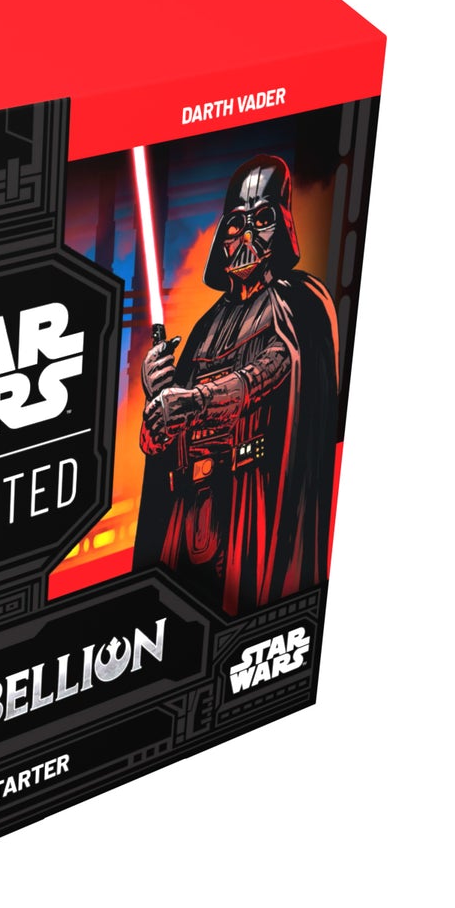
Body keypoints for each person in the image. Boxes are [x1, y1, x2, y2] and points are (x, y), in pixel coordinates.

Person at [135, 156, 338, 616]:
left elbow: (272, 369)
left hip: (250, 499)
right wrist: (155, 402)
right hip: (187, 508)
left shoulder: (295, 302)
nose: (246, 238)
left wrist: (194, 401)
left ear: (283, 226)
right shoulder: (204, 329)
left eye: (262, 220)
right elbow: (157, 442)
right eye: (235, 225)